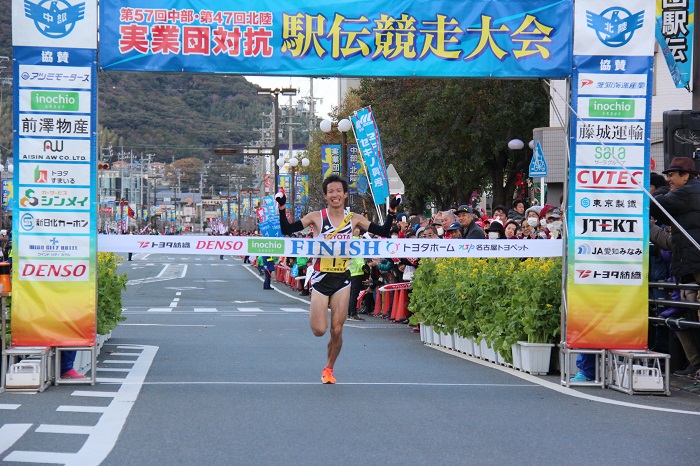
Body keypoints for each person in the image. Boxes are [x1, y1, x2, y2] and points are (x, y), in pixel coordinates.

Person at [277, 175, 399, 384]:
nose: (335, 195)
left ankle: (329, 368)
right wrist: (281, 208)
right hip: (320, 279)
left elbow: (384, 231)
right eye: (331, 191)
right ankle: (328, 358)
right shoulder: (316, 217)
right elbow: (288, 230)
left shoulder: (354, 219)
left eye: (338, 191)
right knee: (319, 330)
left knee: (337, 329)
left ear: (344, 195)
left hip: (343, 278)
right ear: (325, 195)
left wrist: (392, 212)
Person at [650, 157, 700, 377]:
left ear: (686, 176)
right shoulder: (689, 192)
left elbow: (656, 204)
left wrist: (658, 192)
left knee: (693, 310)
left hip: (693, 262)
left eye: (672, 175)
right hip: (688, 263)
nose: (668, 179)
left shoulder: (687, 192)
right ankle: (696, 365)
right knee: (688, 310)